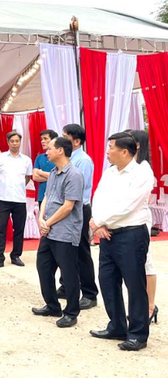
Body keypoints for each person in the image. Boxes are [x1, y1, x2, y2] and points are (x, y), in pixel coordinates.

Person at [89, 132, 153, 351]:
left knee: (134, 285)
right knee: (107, 281)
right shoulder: (110, 172)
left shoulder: (142, 173)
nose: (107, 152)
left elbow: (127, 206)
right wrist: (98, 224)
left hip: (131, 235)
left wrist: (98, 221)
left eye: (111, 148)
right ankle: (116, 326)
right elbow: (98, 197)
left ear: (125, 152)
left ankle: (138, 334)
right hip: (108, 234)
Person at [33, 137, 84, 328]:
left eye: (50, 148)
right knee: (43, 267)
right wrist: (41, 218)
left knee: (68, 273)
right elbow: (47, 197)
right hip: (49, 230)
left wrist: (47, 223)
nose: (46, 151)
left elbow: (68, 206)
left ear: (61, 150)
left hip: (65, 232)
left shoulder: (74, 175)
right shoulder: (54, 172)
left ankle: (71, 312)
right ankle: (52, 305)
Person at [57, 124, 99, 310]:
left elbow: (78, 189)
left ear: (76, 141)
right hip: (66, 208)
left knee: (81, 251)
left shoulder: (83, 161)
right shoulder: (66, 159)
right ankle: (66, 286)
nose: (61, 139)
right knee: (65, 250)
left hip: (78, 209)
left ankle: (89, 293)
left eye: (65, 136)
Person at [126, 129, 159, 323]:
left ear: (137, 145)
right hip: (128, 218)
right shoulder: (130, 166)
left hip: (139, 217)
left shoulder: (144, 168)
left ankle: (150, 306)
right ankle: (140, 305)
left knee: (146, 261)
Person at [0, 131, 32, 269]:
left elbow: (27, 177)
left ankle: (16, 256)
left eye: (17, 141)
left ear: (20, 142)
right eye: (12, 141)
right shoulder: (0, 158)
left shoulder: (26, 160)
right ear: (8, 142)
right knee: (1, 228)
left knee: (19, 229)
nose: (15, 143)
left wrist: (19, 186)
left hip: (20, 199)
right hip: (3, 198)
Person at [32, 129, 58, 209]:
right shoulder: (39, 157)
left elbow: (60, 176)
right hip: (42, 196)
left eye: (45, 139)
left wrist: (41, 173)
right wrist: (53, 176)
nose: (42, 141)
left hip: (56, 196)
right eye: (41, 139)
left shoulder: (59, 156)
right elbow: (35, 177)